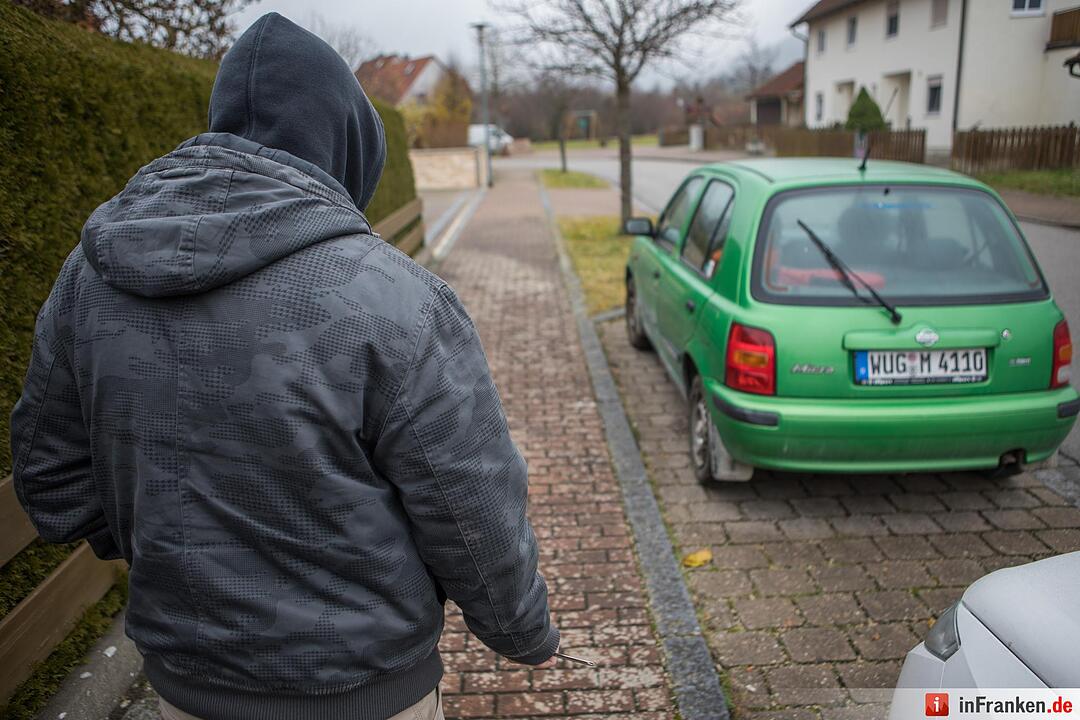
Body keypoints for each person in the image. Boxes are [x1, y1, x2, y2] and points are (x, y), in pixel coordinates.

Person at [10, 13, 556, 720]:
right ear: (344, 147)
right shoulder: (395, 298)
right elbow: (471, 503)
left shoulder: (89, 277)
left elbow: (51, 480)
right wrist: (524, 632)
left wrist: (164, 544)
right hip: (367, 690)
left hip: (186, 681)